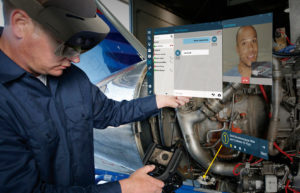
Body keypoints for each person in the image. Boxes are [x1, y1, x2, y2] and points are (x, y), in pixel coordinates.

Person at [0, 0, 190, 193]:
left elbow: (110, 113)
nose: (75, 59)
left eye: (78, 48)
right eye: (64, 46)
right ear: (20, 24)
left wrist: (159, 100)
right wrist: (122, 189)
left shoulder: (73, 78)